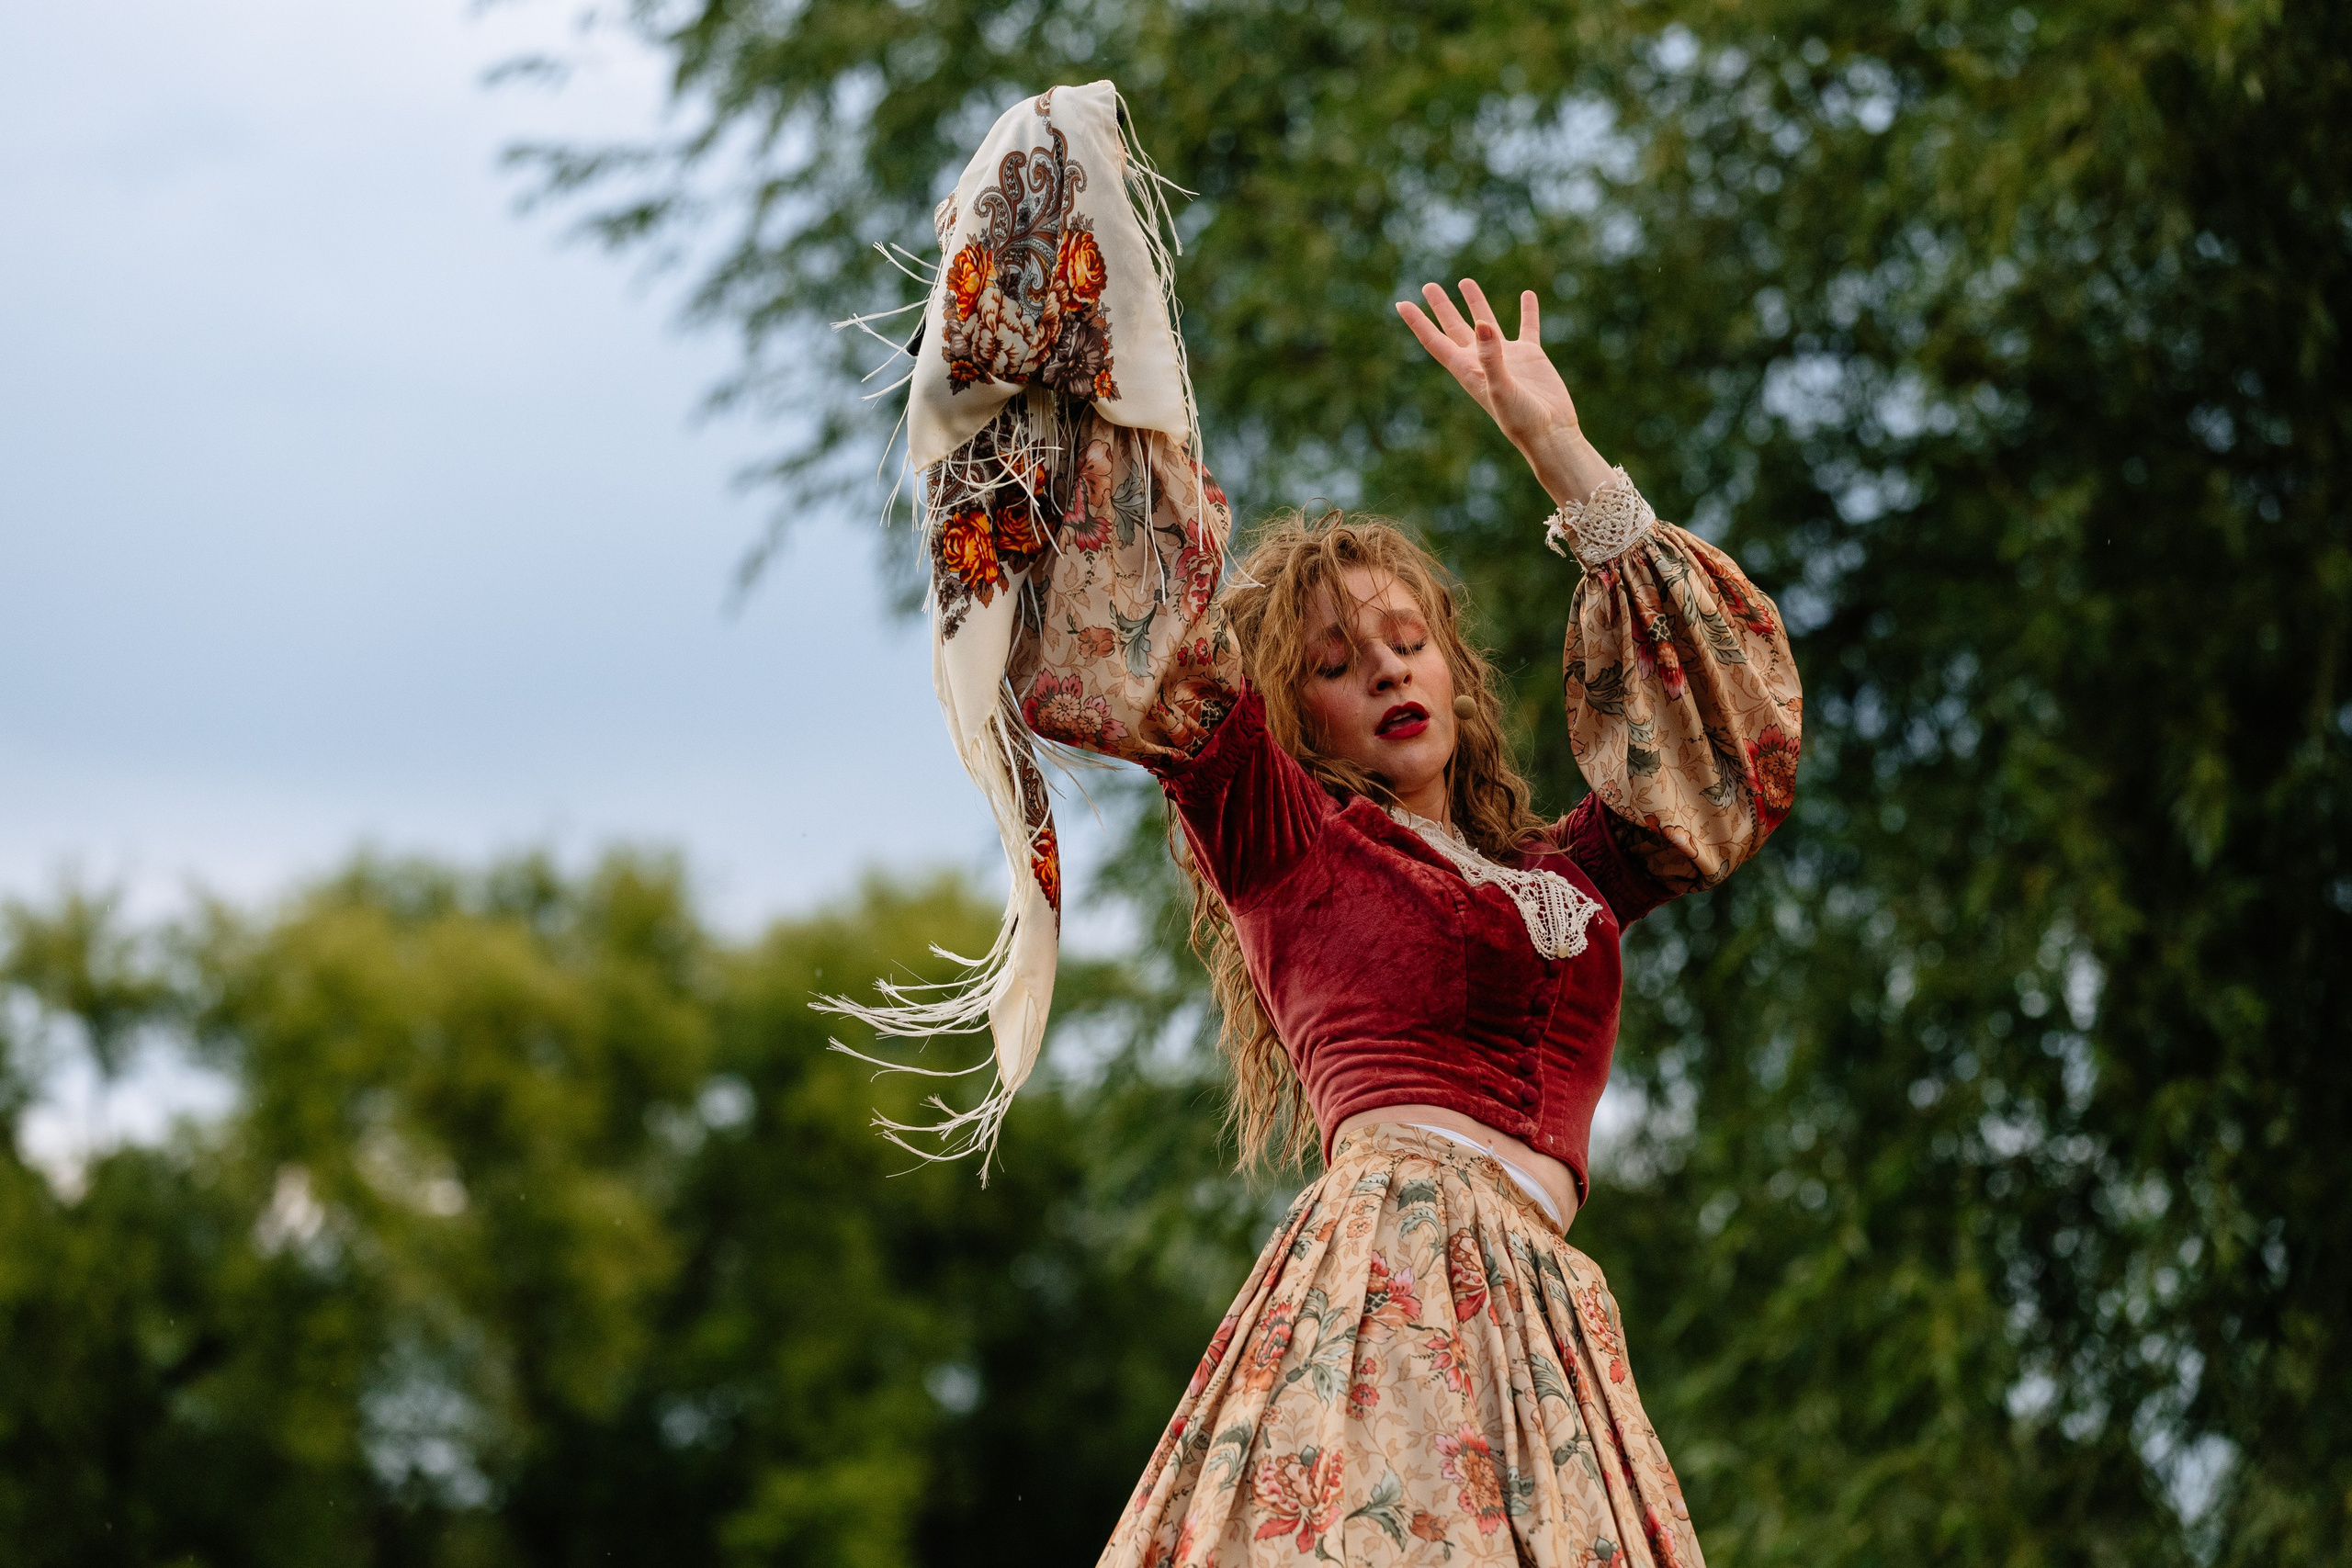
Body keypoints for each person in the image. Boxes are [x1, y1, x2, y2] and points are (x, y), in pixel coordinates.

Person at [922, 272, 1805, 1568]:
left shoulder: (1573, 876)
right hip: (1391, 1277)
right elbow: (1150, 637)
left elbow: (1724, 754)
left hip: (1545, 1317)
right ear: (1299, 712)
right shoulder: (1289, 843)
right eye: (1335, 665)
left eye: (1406, 643)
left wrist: (1555, 447)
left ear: (1453, 666)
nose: (1387, 670)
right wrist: (1073, 364)